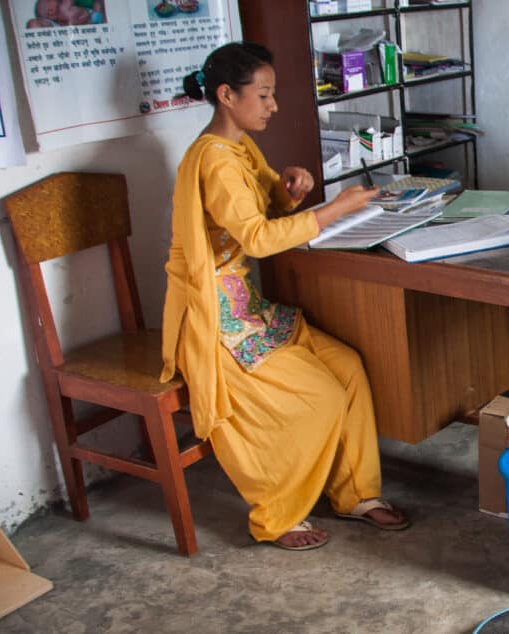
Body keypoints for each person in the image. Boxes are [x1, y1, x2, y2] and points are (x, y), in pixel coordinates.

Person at [160, 42, 410, 551]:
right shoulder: (214, 160)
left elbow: (269, 207)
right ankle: (276, 514)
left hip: (248, 308)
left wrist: (291, 189)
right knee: (320, 396)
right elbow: (256, 238)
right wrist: (336, 208)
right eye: (265, 95)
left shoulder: (239, 147)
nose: (274, 105)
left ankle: (356, 494)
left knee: (347, 367)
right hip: (218, 324)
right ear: (228, 95)